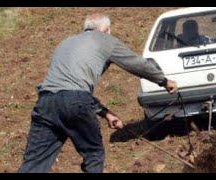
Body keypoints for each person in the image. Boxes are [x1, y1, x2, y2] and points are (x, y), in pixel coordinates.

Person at [18, 13, 178, 173]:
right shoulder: (105, 39)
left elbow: (68, 89)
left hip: (46, 102)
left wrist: (106, 113)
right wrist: (163, 81)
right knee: (93, 155)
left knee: (35, 161)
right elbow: (137, 64)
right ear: (106, 29)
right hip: (75, 101)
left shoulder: (66, 43)